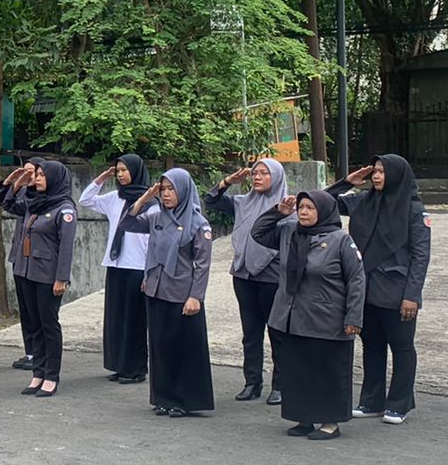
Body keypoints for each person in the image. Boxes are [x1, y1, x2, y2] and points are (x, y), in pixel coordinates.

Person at [250, 190, 365, 440]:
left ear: (323, 211)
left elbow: (357, 279)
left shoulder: (340, 240)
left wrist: (353, 317)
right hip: (293, 315)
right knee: (298, 370)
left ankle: (330, 422)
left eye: (310, 208)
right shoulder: (289, 232)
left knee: (326, 371)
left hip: (327, 317)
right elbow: (257, 233)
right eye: (301, 207)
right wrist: (278, 212)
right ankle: (304, 417)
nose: (303, 212)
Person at [326, 155, 432, 424]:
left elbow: (421, 256)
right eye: (374, 171)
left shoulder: (413, 209)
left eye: (383, 172)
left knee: (401, 346)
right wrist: (346, 182)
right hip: (365, 287)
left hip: (397, 290)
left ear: (396, 175)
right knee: (372, 345)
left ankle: (399, 403)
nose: (376, 176)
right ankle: (372, 400)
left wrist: (412, 296)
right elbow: (323, 203)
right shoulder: (364, 201)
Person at [123, 168, 214, 418]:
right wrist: (145, 198)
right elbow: (128, 223)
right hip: (156, 289)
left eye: (171, 189)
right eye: (163, 189)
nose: (166, 194)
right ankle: (163, 397)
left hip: (182, 294)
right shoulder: (157, 218)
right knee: (160, 347)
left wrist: (196, 296)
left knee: (182, 348)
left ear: (184, 190)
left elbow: (203, 264)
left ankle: (184, 400)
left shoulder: (198, 223)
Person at [205, 158, 289, 404]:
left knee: (277, 333)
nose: (257, 177)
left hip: (272, 277)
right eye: (255, 173)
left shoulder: (288, 204)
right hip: (243, 275)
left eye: (264, 173)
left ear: (276, 177)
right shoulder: (242, 202)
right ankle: (252, 382)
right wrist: (228, 181)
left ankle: (280, 386)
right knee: (250, 333)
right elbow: (211, 201)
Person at [2, 159, 76, 397]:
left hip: (48, 275)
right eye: (38, 175)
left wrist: (61, 278)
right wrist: (16, 185)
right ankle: (38, 372)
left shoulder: (64, 209)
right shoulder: (33, 203)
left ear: (54, 178)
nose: (38, 178)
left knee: (48, 325)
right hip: (26, 271)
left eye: (43, 175)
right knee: (34, 324)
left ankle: (51, 376)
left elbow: (66, 247)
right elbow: (6, 203)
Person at [79, 154, 151, 385]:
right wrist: (100, 179)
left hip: (137, 266)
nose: (120, 174)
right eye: (117, 171)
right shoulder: (114, 198)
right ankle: (120, 365)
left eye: (124, 170)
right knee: (116, 319)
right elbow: (85, 200)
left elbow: (152, 241)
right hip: (116, 264)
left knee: (134, 320)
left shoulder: (150, 201)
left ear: (136, 171)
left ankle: (136, 368)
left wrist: (150, 272)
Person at [0, 158, 46, 372]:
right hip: (20, 257)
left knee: (37, 310)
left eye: (33, 172)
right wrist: (12, 183)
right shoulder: (24, 193)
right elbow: (1, 201)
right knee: (25, 308)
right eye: (25, 172)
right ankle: (30, 351)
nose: (29, 176)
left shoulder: (47, 197)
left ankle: (41, 353)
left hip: (38, 260)